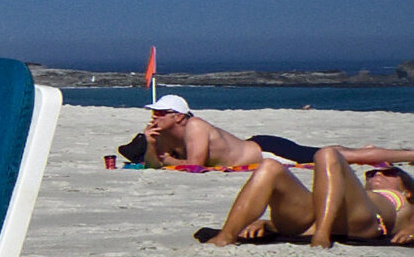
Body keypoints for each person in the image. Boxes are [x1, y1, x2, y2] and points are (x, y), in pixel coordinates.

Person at [142, 95, 414, 171]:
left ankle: (408, 153)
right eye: (154, 112)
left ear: (178, 117)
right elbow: (152, 164)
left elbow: (195, 166)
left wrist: (167, 160)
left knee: (346, 157)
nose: (155, 117)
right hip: (258, 148)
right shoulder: (162, 133)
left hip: (267, 151)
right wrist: (151, 145)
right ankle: (365, 149)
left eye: (160, 113)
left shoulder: (196, 126)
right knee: (335, 152)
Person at [204, 150, 413, 247]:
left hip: (366, 220)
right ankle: (226, 235)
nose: (377, 174)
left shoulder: (406, 201)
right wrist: (268, 223)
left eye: (390, 173)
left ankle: (321, 236)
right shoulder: (352, 191)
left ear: (408, 190)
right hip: (319, 218)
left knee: (327, 154)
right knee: (270, 167)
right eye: (371, 174)